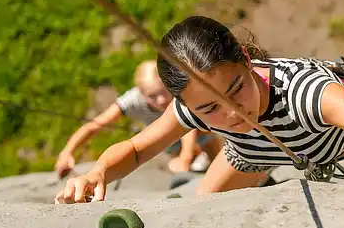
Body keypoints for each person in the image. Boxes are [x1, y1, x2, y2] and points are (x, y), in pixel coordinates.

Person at [55, 16, 344, 228]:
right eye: (211, 110)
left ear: (248, 59)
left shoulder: (308, 92)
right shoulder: (199, 107)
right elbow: (136, 149)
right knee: (204, 208)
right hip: (258, 148)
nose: (232, 113)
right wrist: (97, 172)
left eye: (237, 88)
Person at [53, 60, 222, 178]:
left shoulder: (176, 88)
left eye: (163, 91)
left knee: (210, 147)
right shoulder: (132, 100)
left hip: (197, 129)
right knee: (183, 154)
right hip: (169, 141)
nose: (161, 100)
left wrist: (184, 161)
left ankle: (208, 160)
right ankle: (197, 159)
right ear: (141, 93)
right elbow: (95, 125)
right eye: (152, 96)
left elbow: (186, 125)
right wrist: (67, 152)